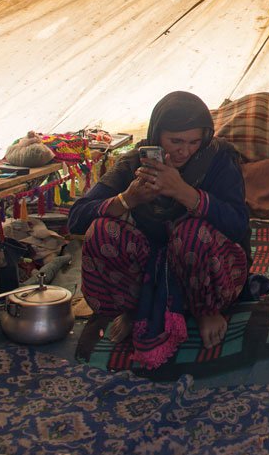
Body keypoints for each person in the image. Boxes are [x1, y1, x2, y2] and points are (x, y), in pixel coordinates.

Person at [68, 91, 249, 368]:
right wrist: (127, 199)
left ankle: (207, 311)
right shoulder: (133, 165)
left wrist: (185, 193)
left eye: (193, 142)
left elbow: (238, 225)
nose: (184, 151)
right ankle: (133, 309)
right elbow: (77, 218)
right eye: (175, 141)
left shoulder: (218, 159)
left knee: (191, 235)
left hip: (207, 271)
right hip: (148, 267)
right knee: (102, 230)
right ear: (156, 135)